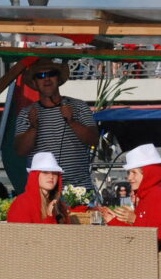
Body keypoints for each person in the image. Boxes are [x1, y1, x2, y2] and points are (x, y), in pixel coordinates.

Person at [14, 59, 99, 189]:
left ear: (58, 79)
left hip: (79, 189)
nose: (46, 79)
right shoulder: (27, 113)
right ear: (34, 83)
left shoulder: (79, 106)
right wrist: (33, 128)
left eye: (51, 74)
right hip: (44, 191)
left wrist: (72, 122)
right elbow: (20, 151)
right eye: (41, 76)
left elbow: (94, 140)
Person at [101, 144, 161, 248]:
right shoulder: (145, 196)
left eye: (134, 173)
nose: (129, 178)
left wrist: (134, 219)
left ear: (148, 174)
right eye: (129, 173)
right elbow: (139, 233)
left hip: (153, 257)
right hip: (143, 253)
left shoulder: (158, 196)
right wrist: (113, 220)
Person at [6, 152, 69, 224]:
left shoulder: (59, 205)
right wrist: (49, 217)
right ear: (35, 176)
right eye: (45, 172)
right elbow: (21, 234)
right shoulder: (22, 203)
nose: (51, 176)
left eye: (55, 173)